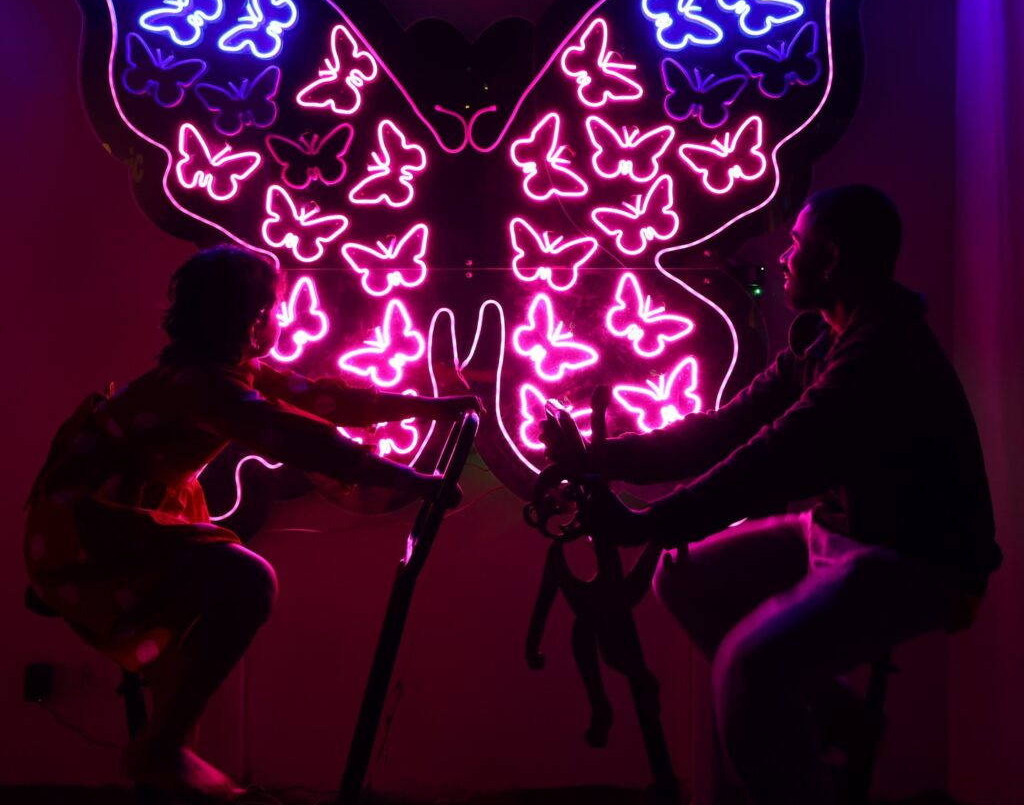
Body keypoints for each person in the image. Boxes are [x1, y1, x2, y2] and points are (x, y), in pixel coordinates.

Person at [542, 185, 1001, 805]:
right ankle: (841, 722)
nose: (784, 257)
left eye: (795, 244)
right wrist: (605, 456)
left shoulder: (879, 354)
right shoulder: (823, 340)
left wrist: (651, 521)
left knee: (749, 668)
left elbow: (774, 459)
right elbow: (725, 429)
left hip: (915, 559)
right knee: (681, 577)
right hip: (844, 533)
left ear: (830, 260)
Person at [24, 245, 480, 801]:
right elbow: (297, 439)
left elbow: (325, 403)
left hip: (128, 514)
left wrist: (430, 409)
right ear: (254, 318)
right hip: (90, 526)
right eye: (277, 307)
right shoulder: (202, 388)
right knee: (247, 580)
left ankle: (167, 762)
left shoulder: (225, 373)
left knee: (182, 651)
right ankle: (162, 749)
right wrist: (411, 480)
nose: (282, 318)